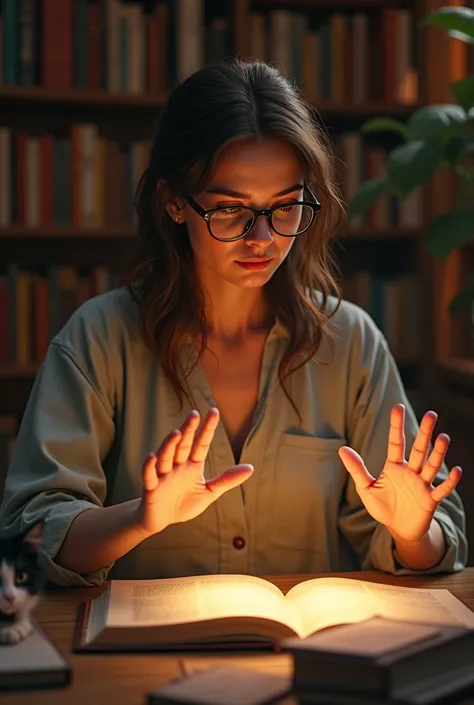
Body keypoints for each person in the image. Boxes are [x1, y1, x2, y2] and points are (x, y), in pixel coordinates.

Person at [0, 59, 467, 587]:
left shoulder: (350, 341)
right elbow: (30, 535)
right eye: (230, 209)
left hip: (314, 658)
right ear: (173, 202)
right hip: (143, 659)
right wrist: (141, 519)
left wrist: (412, 531)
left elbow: (431, 550)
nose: (262, 239)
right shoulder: (100, 339)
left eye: (286, 207)